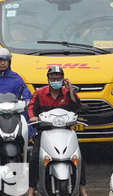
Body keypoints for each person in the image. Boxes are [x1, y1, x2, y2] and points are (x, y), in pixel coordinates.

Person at [27, 64, 88, 196]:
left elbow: (77, 106)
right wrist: (33, 117)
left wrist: (70, 88)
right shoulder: (40, 93)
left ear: (63, 79)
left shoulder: (67, 93)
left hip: (65, 130)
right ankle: (31, 189)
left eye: (58, 78)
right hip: (45, 131)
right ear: (48, 79)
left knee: (79, 157)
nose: (55, 80)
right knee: (35, 157)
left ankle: (82, 189)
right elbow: (31, 107)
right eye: (53, 78)